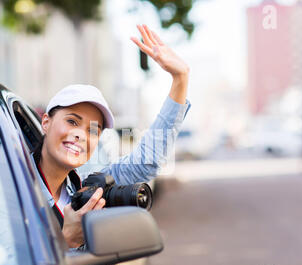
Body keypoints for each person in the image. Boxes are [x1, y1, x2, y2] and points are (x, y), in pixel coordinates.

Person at [32, 24, 191, 248]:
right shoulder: (8, 187)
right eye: (72, 121)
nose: (80, 135)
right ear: (46, 122)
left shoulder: (84, 186)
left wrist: (180, 79)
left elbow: (147, 162)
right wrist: (66, 240)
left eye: (93, 130)